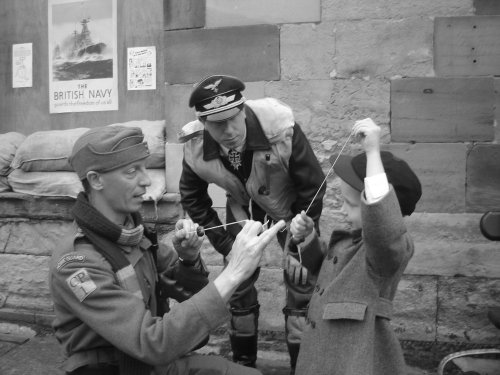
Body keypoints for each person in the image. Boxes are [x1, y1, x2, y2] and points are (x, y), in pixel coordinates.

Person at [48, 125, 285, 375]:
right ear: (96, 180)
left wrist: (188, 259)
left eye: (145, 168)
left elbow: (187, 292)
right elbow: (153, 342)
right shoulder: (77, 262)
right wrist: (234, 271)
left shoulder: (133, 234)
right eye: (131, 172)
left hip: (151, 362)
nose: (146, 181)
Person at [178, 74, 326, 371]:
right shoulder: (194, 145)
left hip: (291, 208)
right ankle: (243, 364)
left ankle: (301, 366)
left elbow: (313, 184)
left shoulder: (280, 126)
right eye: (218, 124)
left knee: (300, 281)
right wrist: (224, 244)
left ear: (243, 110)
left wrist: (301, 232)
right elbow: (191, 195)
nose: (229, 130)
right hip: (242, 210)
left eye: (234, 118)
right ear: (204, 124)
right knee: (238, 284)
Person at [288, 118, 422, 375]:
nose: (342, 208)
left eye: (351, 203)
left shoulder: (388, 249)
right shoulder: (351, 240)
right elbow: (323, 274)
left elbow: (381, 216)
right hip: (322, 354)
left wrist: (373, 152)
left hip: (355, 360)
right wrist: (306, 238)